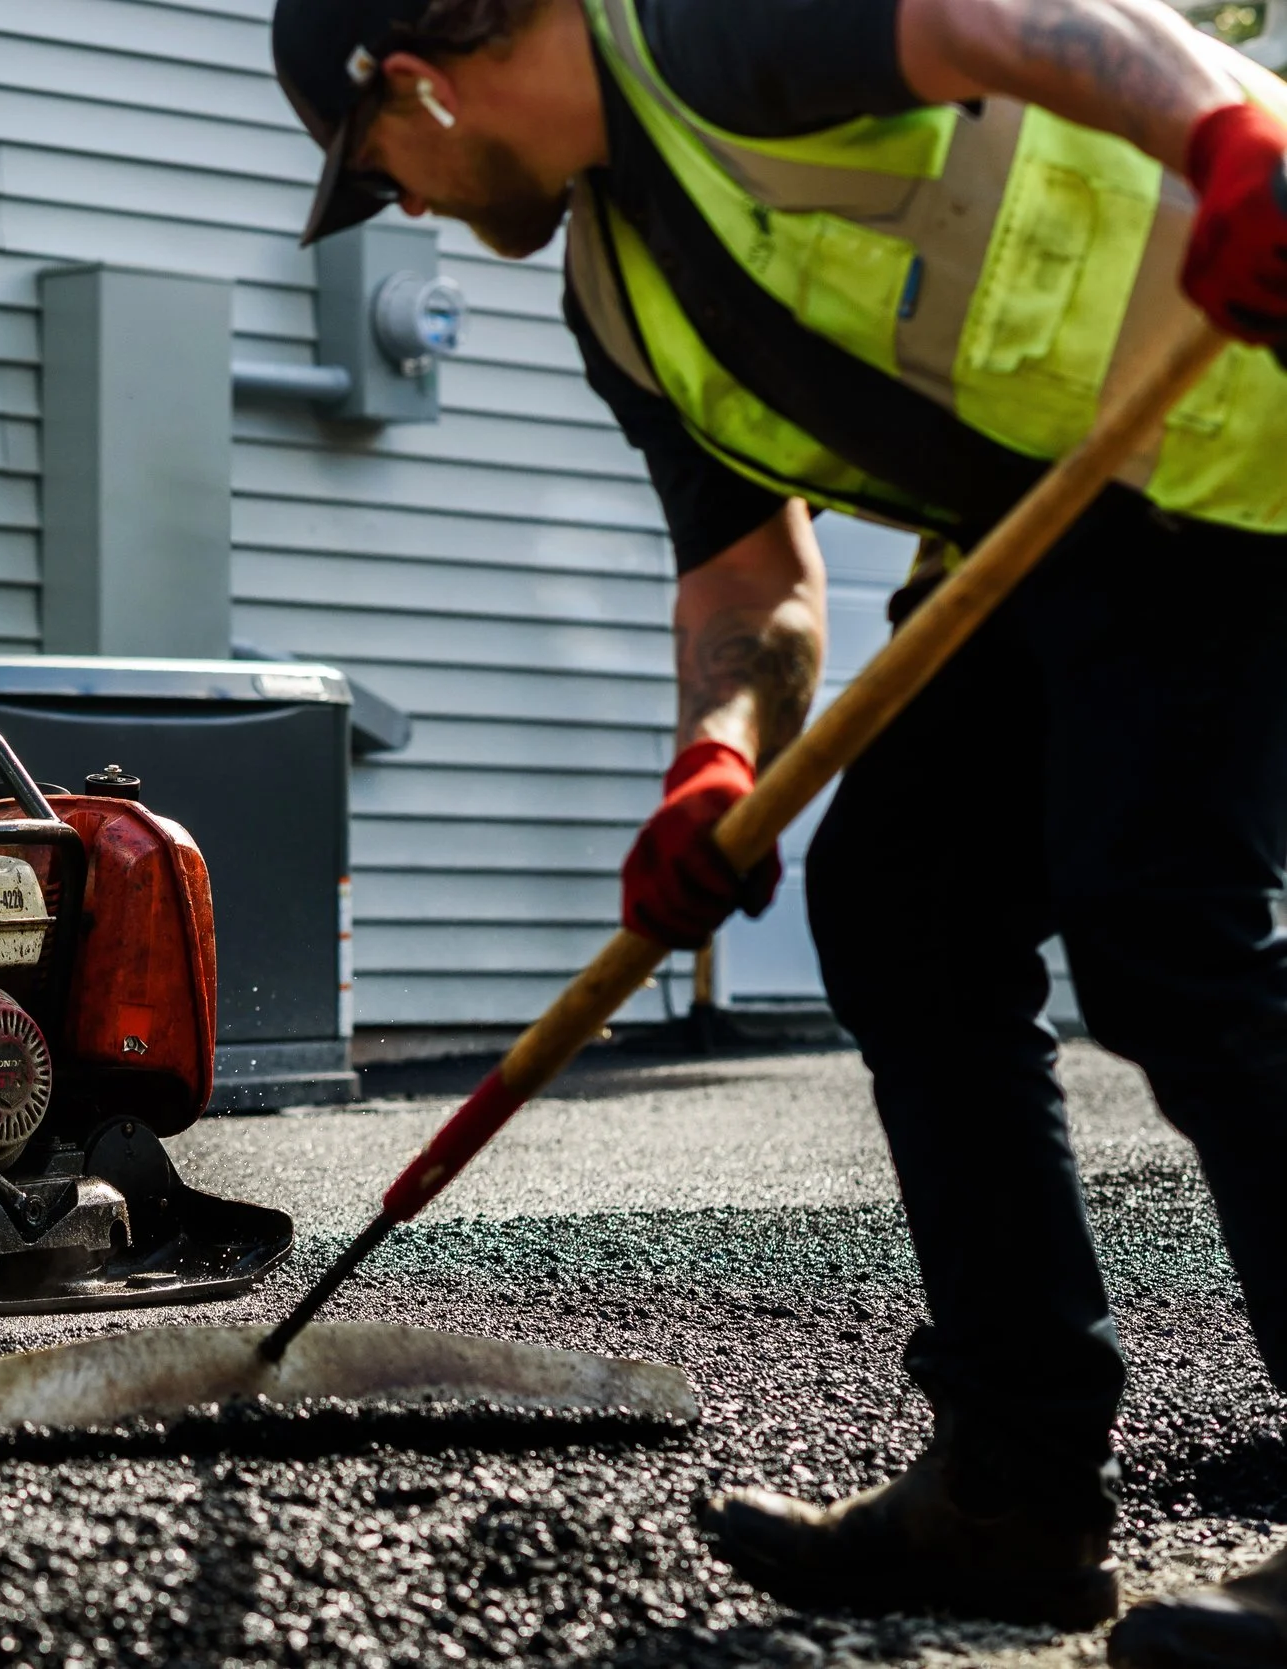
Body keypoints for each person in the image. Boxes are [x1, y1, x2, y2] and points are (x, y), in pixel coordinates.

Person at [272, 0, 1287, 1660]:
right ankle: (1018, 1491)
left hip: (1239, 420)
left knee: (1166, 926)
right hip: (1044, 521)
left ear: (417, 82)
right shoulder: (619, 296)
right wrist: (714, 771)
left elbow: (1018, 19)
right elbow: (754, 582)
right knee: (899, 908)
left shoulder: (704, 28)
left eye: (377, 170)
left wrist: (1231, 142)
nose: (410, 207)